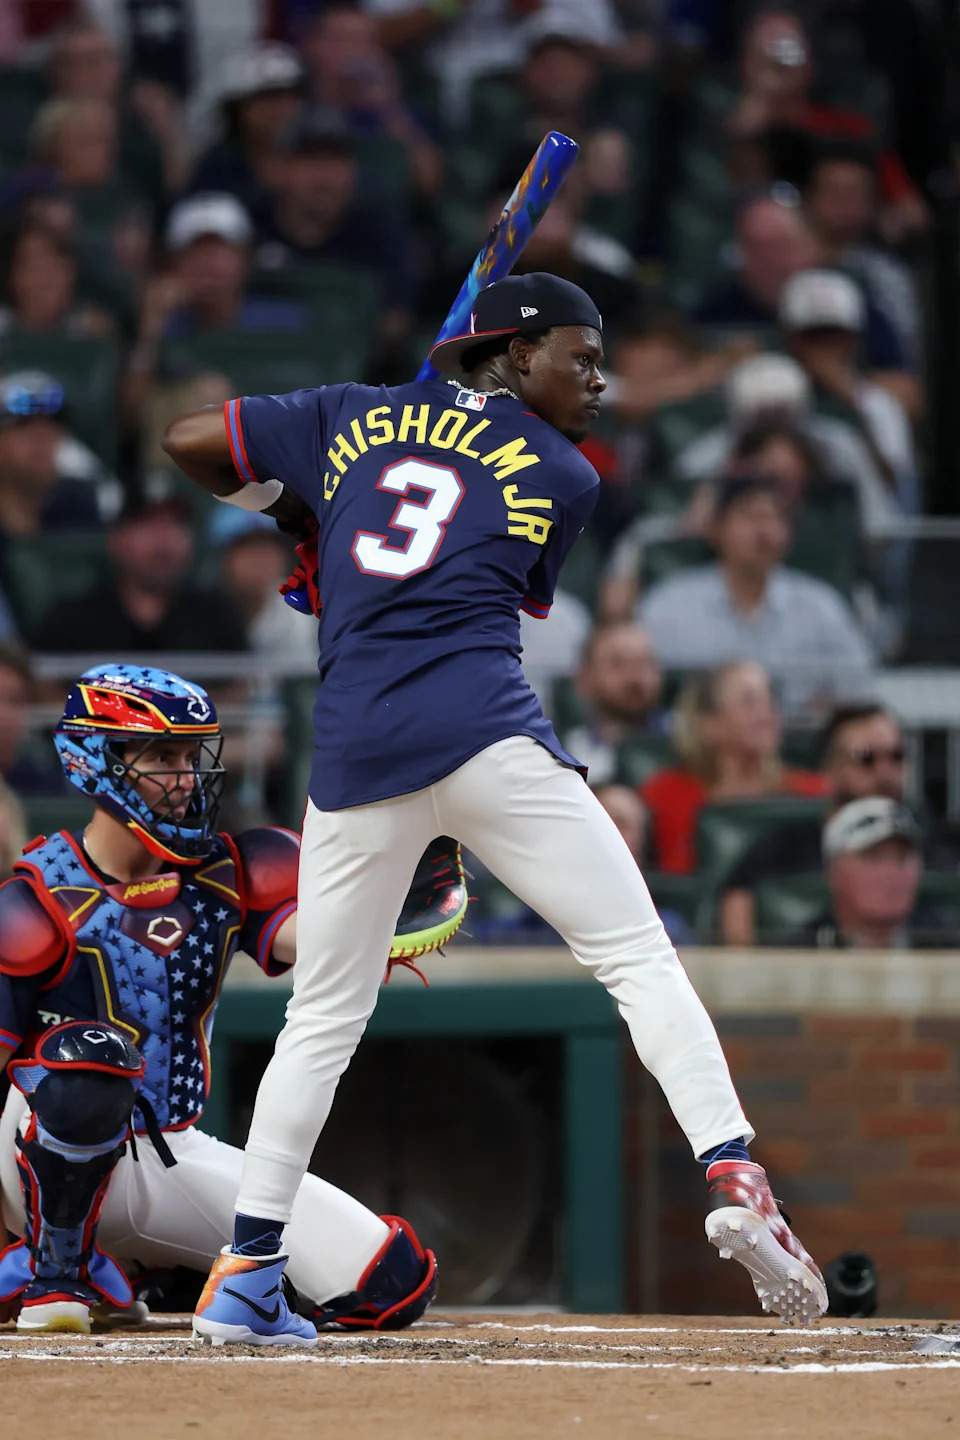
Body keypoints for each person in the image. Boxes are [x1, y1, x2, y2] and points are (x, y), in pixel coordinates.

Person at [163, 271, 827, 1342]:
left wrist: (298, 508)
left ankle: (245, 1271)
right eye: (581, 354)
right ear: (516, 357)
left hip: (358, 749)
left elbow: (189, 439)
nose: (601, 379)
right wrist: (319, 520)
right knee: (635, 958)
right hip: (484, 734)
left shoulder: (346, 412)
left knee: (322, 1019)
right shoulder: (565, 471)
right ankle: (736, 1172)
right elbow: (476, 572)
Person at [0, 664, 466, 1334]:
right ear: (94, 760)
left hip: (166, 1149)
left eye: (191, 756)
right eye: (161, 755)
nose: (185, 776)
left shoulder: (230, 868)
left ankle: (155, 1271)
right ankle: (54, 1274)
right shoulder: (33, 897)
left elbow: (317, 940)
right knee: (88, 1058)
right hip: (34, 1152)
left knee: (388, 1282)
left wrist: (383, 884)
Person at [638, 473, 873, 716]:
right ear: (717, 528)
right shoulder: (668, 604)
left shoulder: (820, 605)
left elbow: (859, 687)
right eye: (750, 517)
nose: (764, 531)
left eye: (774, 518)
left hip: (795, 744)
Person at [718, 702, 908, 946]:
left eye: (897, 756)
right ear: (830, 768)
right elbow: (738, 958)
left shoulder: (939, 848)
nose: (885, 772)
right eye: (866, 758)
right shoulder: (776, 853)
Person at [640, 662, 826, 876]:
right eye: (749, 702)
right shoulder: (665, 795)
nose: (767, 714)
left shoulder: (813, 792)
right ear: (709, 724)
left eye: (770, 700)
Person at [33, 494, 247, 654]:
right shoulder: (72, 618)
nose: (164, 541)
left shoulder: (218, 614)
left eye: (177, 525)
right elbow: (48, 693)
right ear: (115, 539)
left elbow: (238, 691)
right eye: (148, 525)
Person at [778, 268, 919, 507]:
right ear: (791, 340)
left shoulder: (878, 404)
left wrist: (850, 400)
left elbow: (896, 491)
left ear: (853, 339)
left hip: (863, 533)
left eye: (834, 335)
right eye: (812, 335)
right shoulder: (773, 390)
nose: (823, 346)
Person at [777, 796, 944, 950]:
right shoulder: (796, 955)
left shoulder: (946, 948)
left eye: (902, 858)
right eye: (872, 857)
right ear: (833, 870)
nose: (890, 872)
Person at [190, 42, 306, 211]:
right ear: (238, 109)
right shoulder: (218, 169)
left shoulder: (321, 154)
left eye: (291, 97)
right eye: (268, 98)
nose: (282, 108)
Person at [561, 621, 666, 786]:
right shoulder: (560, 753)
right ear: (584, 679)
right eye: (618, 664)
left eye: (645, 663)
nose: (634, 676)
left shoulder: (689, 743)